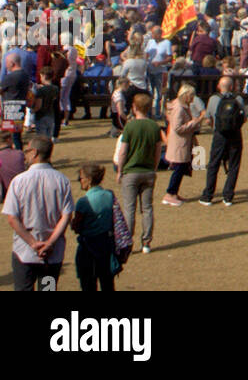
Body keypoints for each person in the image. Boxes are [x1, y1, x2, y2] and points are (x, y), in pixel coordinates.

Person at [3, 135, 75, 290]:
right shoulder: (62, 180)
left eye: (27, 150)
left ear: (34, 152)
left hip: (24, 251)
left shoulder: (19, 181)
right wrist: (49, 243)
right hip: (52, 254)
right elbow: (66, 216)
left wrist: (33, 243)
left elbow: (12, 218)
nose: (25, 154)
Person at [114, 92, 162, 254]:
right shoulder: (154, 126)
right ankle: (146, 242)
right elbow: (157, 151)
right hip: (148, 171)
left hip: (131, 172)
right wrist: (154, 168)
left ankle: (127, 242)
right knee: (147, 208)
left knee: (129, 209)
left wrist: (120, 170)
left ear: (134, 108)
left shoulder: (130, 126)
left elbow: (123, 152)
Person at [71, 163, 118, 292]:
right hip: (106, 244)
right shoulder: (109, 195)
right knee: (107, 283)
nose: (79, 181)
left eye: (81, 178)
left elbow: (76, 227)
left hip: (88, 247)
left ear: (89, 180)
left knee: (88, 283)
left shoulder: (83, 202)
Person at [199, 75, 245, 207]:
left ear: (219, 86)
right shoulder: (238, 99)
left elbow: (208, 119)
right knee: (234, 165)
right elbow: (244, 119)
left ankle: (208, 195)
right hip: (235, 135)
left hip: (219, 135)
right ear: (232, 87)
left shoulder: (213, 99)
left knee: (213, 164)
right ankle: (228, 196)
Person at [161, 84, 204, 206]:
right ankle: (170, 193)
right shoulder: (179, 108)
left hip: (182, 143)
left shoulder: (180, 106)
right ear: (185, 95)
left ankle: (174, 193)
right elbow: (178, 128)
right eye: (191, 95)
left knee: (181, 168)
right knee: (178, 169)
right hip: (180, 143)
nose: (193, 98)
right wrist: (194, 122)